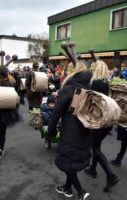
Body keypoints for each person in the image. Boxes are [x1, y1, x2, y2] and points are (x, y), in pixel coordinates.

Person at [48, 62, 92, 200]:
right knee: (72, 160)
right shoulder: (89, 89)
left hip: (70, 131)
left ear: (74, 72)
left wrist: (51, 130)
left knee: (66, 162)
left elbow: (56, 112)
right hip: (85, 130)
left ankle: (81, 191)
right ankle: (67, 188)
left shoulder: (68, 88)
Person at [84, 60, 120, 192]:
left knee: (95, 148)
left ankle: (111, 176)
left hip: (99, 118)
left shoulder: (95, 83)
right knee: (96, 145)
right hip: (109, 119)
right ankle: (93, 169)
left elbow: (92, 100)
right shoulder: (107, 83)